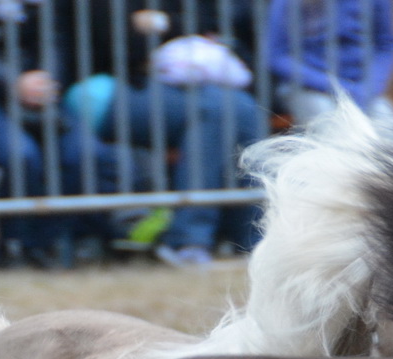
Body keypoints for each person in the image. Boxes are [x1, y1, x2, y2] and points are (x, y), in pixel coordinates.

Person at [63, 0, 265, 265]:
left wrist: (160, 22)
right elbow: (121, 46)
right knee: (220, 110)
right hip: (100, 88)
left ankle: (253, 241)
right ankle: (188, 241)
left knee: (243, 108)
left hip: (163, 85)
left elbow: (206, 22)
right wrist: (172, 28)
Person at [0, 0, 137, 263]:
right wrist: (14, 83)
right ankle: (15, 244)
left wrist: (45, 81)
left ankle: (53, 242)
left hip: (42, 96)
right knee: (20, 154)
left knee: (83, 152)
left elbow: (55, 40)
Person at [268, 0, 393, 125]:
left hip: (361, 88)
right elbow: (276, 55)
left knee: (385, 120)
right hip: (308, 87)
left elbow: (386, 44)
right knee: (330, 121)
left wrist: (369, 87)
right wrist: (333, 86)